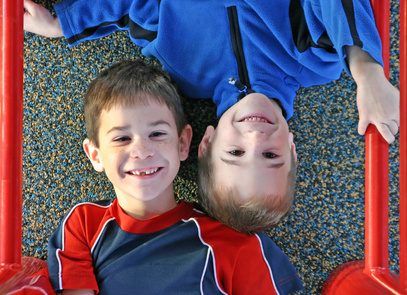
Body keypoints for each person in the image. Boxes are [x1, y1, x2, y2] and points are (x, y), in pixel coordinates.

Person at [23, 0, 400, 233]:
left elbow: (132, 8)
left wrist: (62, 25)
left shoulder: (180, 67)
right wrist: (367, 71)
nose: (255, 140)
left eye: (235, 154)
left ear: (205, 142)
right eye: (271, 156)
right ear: (291, 147)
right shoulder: (317, 60)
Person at [45, 60, 303, 294]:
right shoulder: (82, 224)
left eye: (157, 134)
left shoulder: (231, 240)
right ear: (95, 155)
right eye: (122, 138)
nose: (142, 151)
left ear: (183, 143)